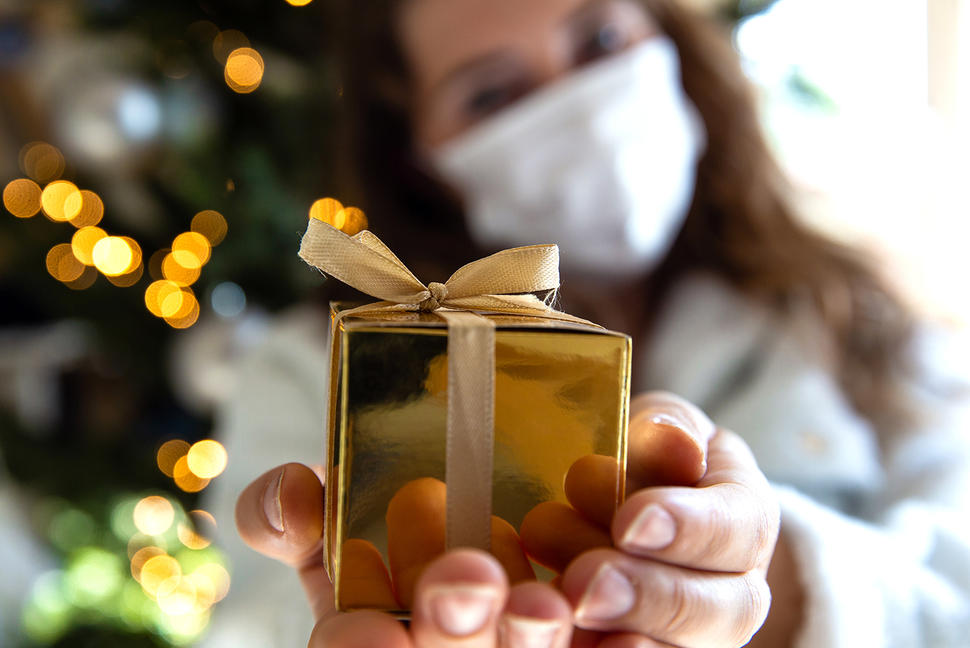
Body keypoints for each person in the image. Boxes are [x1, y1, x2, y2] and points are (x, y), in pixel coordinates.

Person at [214, 1, 970, 646]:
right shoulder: (311, 364)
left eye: (600, 41)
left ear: (669, 39)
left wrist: (785, 585)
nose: (578, 102)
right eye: (491, 94)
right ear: (418, 158)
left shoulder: (859, 318)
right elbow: (251, 622)